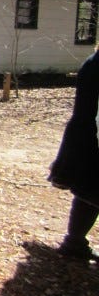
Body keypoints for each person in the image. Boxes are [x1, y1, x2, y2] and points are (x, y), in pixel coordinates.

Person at [48, 48, 99, 261]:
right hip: (90, 133)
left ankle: (74, 241)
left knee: (89, 189)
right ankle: (74, 241)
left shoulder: (92, 63)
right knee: (90, 189)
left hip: (87, 133)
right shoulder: (94, 65)